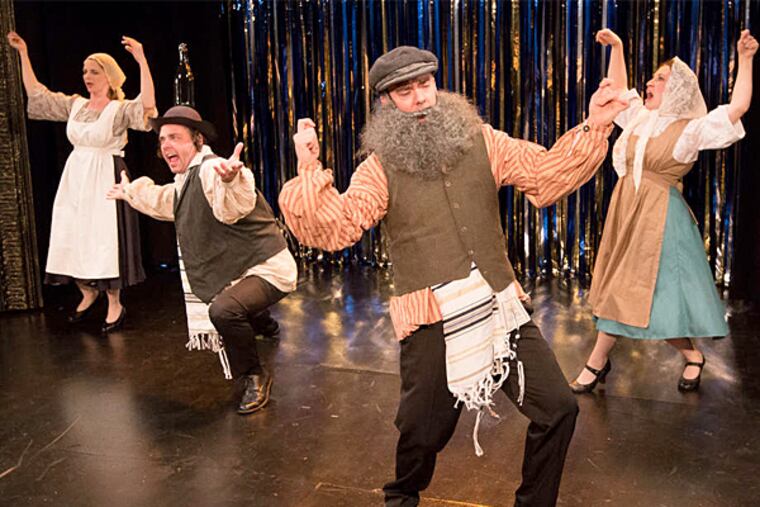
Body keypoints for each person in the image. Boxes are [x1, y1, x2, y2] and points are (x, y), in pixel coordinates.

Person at [278, 46, 627, 506]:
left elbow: (544, 174)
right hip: (432, 316)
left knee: (559, 409)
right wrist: (308, 165)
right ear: (386, 102)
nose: (421, 97)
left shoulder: (483, 140)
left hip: (499, 307)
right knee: (422, 431)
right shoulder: (378, 169)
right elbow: (339, 225)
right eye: (405, 91)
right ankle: (401, 496)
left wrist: (595, 124)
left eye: (425, 85)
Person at [570, 29, 757, 394]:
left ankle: (596, 363)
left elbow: (737, 109)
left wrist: (746, 60)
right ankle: (691, 355)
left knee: (639, 294)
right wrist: (618, 47)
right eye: (652, 77)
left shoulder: (689, 130)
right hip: (628, 212)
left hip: (661, 219)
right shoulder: (640, 118)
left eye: (660, 78)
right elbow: (618, 91)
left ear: (678, 90)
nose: (650, 83)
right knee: (640, 298)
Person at [107, 105, 297, 414]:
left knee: (223, 310)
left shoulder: (211, 169)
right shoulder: (185, 179)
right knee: (236, 302)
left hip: (268, 267)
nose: (166, 144)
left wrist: (231, 181)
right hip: (241, 270)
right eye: (162, 139)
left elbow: (231, 205)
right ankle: (263, 322)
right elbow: (166, 200)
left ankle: (255, 375)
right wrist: (131, 192)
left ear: (197, 140)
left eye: (175, 137)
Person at [7, 31, 155, 333]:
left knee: (104, 239)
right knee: (71, 235)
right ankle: (87, 292)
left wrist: (141, 60)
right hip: (75, 178)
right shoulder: (76, 105)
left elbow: (147, 106)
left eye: (94, 71)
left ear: (109, 77)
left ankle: (114, 303)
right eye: (85, 71)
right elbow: (38, 95)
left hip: (105, 174)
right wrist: (23, 53)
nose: (87, 76)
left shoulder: (118, 110)